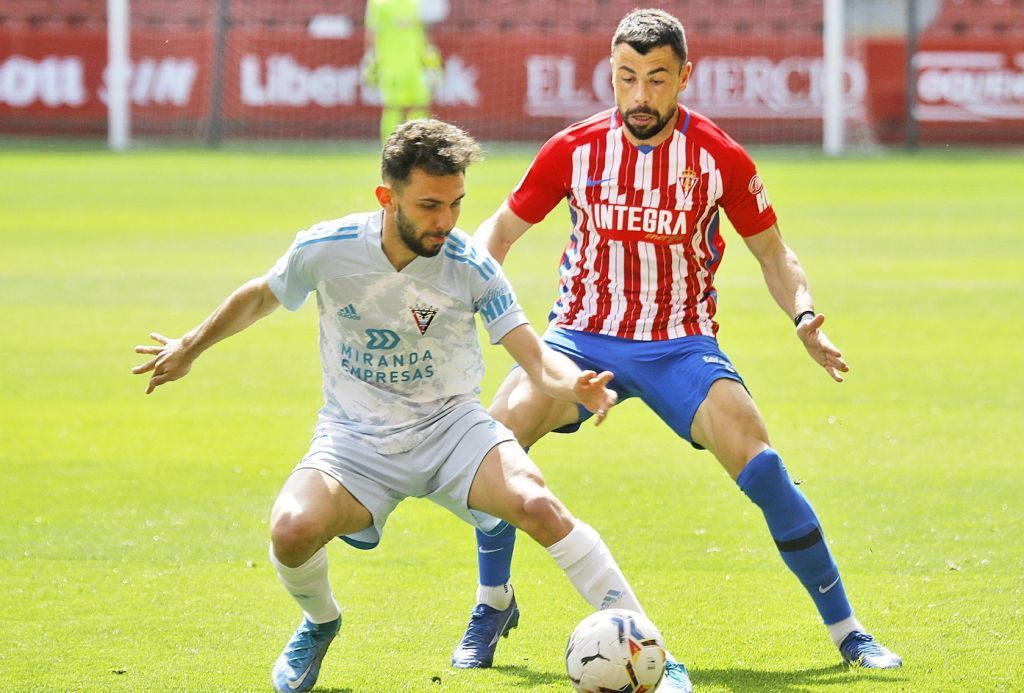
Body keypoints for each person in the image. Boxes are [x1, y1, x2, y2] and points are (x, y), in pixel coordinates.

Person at [132, 119, 687, 693]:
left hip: (452, 429)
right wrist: (189, 347)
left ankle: (656, 655)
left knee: (538, 504)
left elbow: (533, 353)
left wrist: (575, 386)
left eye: (455, 204)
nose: (445, 221)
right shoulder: (327, 248)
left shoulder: (471, 265)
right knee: (291, 531)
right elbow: (261, 295)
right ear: (386, 196)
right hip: (355, 440)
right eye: (428, 205)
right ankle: (320, 623)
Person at [451, 7, 902, 678]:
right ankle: (493, 603)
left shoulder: (718, 156)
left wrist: (806, 318)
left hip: (678, 341)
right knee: (494, 446)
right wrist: (466, 286)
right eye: (626, 78)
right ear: (611, 73)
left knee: (763, 465)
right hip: (580, 335)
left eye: (656, 79)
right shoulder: (573, 149)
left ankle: (849, 632)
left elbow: (775, 255)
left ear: (684, 77)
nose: (639, 96)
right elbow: (499, 231)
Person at [363, 0, 442, 145]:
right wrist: (370, 60)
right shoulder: (379, 4)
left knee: (419, 104)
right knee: (393, 106)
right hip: (390, 65)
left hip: (415, 65)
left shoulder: (416, 4)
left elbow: (423, 33)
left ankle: (419, 145)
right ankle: (389, 147)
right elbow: (372, 34)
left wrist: (431, 58)